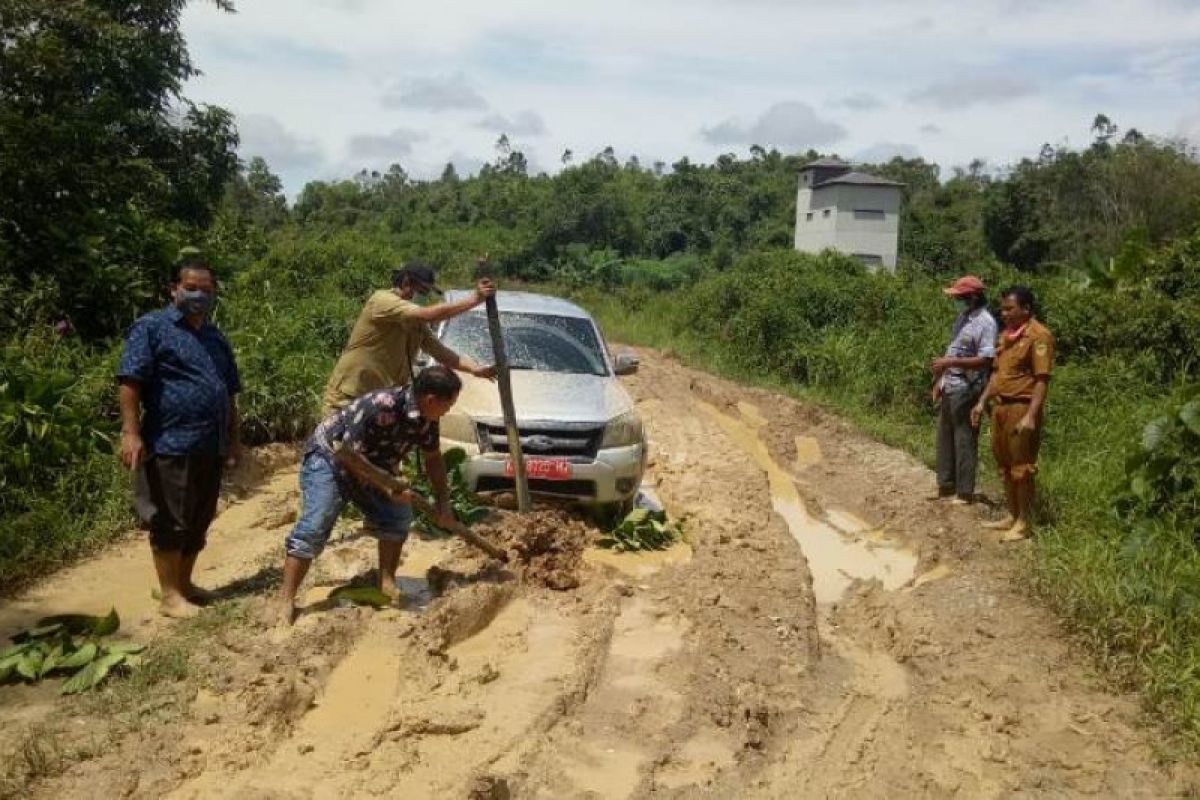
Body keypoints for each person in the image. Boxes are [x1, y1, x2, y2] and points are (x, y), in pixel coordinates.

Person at [276, 365, 463, 624]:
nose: (448, 410)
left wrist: (443, 503)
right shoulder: (381, 406)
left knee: (397, 517)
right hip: (331, 460)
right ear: (431, 400)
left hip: (375, 467)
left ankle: (386, 580)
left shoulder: (426, 418)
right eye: (449, 404)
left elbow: (433, 459)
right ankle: (285, 599)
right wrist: (388, 488)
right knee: (314, 527)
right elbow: (350, 457)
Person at [116, 255, 242, 618]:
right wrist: (131, 432)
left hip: (211, 444)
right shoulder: (152, 328)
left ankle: (185, 584)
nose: (199, 296)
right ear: (174, 289)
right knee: (170, 520)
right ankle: (170, 595)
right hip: (171, 442)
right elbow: (130, 381)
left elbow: (229, 391)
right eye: (191, 288)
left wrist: (234, 440)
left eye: (206, 290)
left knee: (200, 518)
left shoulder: (215, 336)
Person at [321, 261, 496, 413]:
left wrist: (475, 369)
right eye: (422, 291)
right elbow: (427, 315)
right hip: (350, 396)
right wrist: (474, 298)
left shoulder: (415, 322)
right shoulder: (382, 300)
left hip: (381, 402)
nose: (422, 297)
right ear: (406, 282)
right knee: (336, 449)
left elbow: (441, 353)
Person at [971, 286, 1055, 542]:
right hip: (1000, 407)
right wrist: (981, 401)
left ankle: (1024, 522)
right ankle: (1011, 513)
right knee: (1004, 465)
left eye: (1009, 308)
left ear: (1026, 309)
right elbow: (997, 374)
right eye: (1003, 308)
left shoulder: (1039, 336)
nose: (1003, 312)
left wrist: (1031, 415)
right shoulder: (1005, 336)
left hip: (1021, 406)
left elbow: (1042, 379)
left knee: (1022, 467)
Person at [929, 275, 997, 505]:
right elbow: (954, 350)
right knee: (944, 435)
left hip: (968, 387)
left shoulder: (986, 323)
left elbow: (986, 359)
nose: (956, 301)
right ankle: (945, 485)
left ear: (973, 297)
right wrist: (940, 381)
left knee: (964, 438)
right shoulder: (963, 317)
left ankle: (964, 492)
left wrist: (949, 364)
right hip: (951, 383)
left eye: (959, 297)